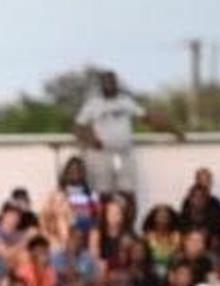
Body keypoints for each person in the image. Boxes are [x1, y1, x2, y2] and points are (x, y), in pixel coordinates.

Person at [72, 71, 184, 205]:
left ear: (116, 83)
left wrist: (174, 131)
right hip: (101, 155)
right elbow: (77, 127)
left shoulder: (125, 101)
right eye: (106, 82)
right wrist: (91, 140)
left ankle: (128, 226)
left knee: (128, 194)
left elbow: (148, 119)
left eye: (112, 81)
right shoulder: (93, 104)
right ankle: (104, 225)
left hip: (124, 154)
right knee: (103, 195)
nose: (109, 84)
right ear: (101, 84)